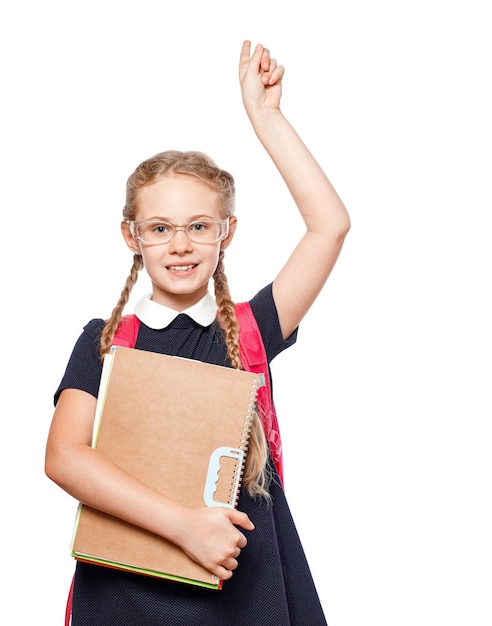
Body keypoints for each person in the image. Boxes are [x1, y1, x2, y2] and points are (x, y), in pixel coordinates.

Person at [45, 40, 350, 625]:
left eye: (198, 226)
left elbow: (329, 227)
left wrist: (267, 118)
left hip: (247, 581)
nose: (180, 244)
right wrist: (187, 527)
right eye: (160, 227)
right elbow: (64, 456)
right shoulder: (107, 341)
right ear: (131, 235)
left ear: (226, 232)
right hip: (130, 590)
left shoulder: (253, 329)